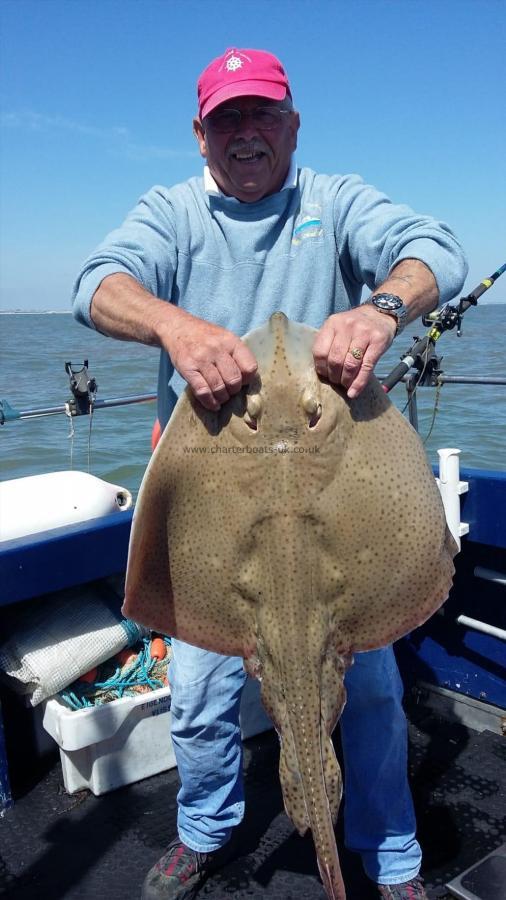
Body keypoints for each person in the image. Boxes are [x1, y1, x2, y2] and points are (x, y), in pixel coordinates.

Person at [72, 47, 467, 900]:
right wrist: (175, 330)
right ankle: (204, 829)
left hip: (338, 492)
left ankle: (388, 853)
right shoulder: (172, 212)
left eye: (262, 115)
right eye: (227, 120)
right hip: (214, 502)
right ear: (200, 134)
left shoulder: (335, 200)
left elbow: (433, 248)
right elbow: (96, 284)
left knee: (367, 689)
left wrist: (380, 307)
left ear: (292, 124)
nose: (245, 134)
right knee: (201, 694)